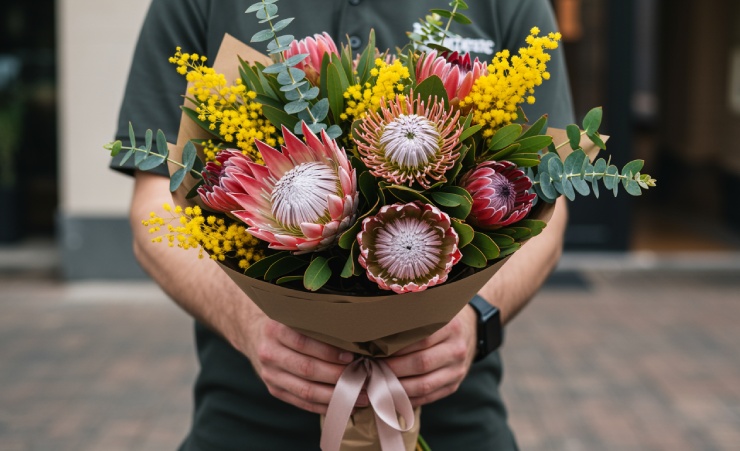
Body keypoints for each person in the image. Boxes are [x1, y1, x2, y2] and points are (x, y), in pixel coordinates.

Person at [111, 0, 573, 449]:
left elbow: (546, 212)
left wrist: (476, 319)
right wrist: (247, 321)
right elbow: (155, 203)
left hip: (454, 416)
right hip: (248, 417)